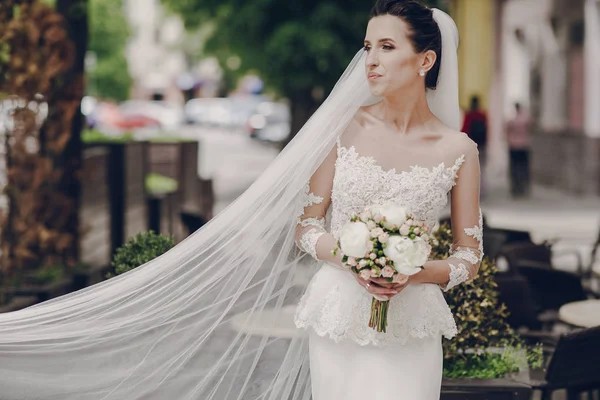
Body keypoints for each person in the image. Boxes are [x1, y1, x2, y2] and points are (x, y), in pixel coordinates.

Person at [0, 1, 482, 399]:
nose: (369, 61)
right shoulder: (344, 128)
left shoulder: (458, 150)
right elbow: (307, 227)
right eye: (367, 47)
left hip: (413, 325)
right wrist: (355, 259)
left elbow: (469, 256)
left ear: (425, 60)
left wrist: (411, 272)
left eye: (387, 46)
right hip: (340, 314)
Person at [461, 94, 488, 196]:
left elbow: (465, 129)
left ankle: (472, 189)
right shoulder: (483, 115)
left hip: (471, 145)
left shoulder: (469, 115)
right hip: (482, 145)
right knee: (482, 168)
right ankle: (482, 190)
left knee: (470, 168)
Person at [505, 102, 532, 197]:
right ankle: (523, 187)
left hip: (513, 146)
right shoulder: (525, 119)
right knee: (523, 167)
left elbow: (506, 131)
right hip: (524, 145)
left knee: (514, 168)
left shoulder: (511, 120)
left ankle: (515, 187)